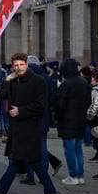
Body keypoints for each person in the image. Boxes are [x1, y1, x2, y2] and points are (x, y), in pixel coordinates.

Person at [0, 53, 57, 194]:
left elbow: (41, 105)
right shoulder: (13, 80)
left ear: (26, 64)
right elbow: (0, 95)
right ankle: (50, 192)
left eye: (21, 65)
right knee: (30, 161)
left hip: (30, 127)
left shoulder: (38, 81)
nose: (18, 68)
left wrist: (21, 110)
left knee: (17, 161)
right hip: (16, 127)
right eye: (15, 66)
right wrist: (6, 80)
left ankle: (0, 192)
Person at [23, 55, 62, 184]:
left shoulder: (27, 78)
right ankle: (43, 175)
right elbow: (52, 99)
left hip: (29, 118)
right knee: (42, 147)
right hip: (43, 117)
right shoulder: (46, 78)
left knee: (29, 148)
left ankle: (30, 175)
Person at [56, 59, 89, 185]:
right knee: (78, 148)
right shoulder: (83, 82)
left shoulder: (66, 84)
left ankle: (73, 175)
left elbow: (61, 105)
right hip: (80, 119)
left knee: (69, 149)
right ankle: (80, 175)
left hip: (68, 121)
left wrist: (58, 117)